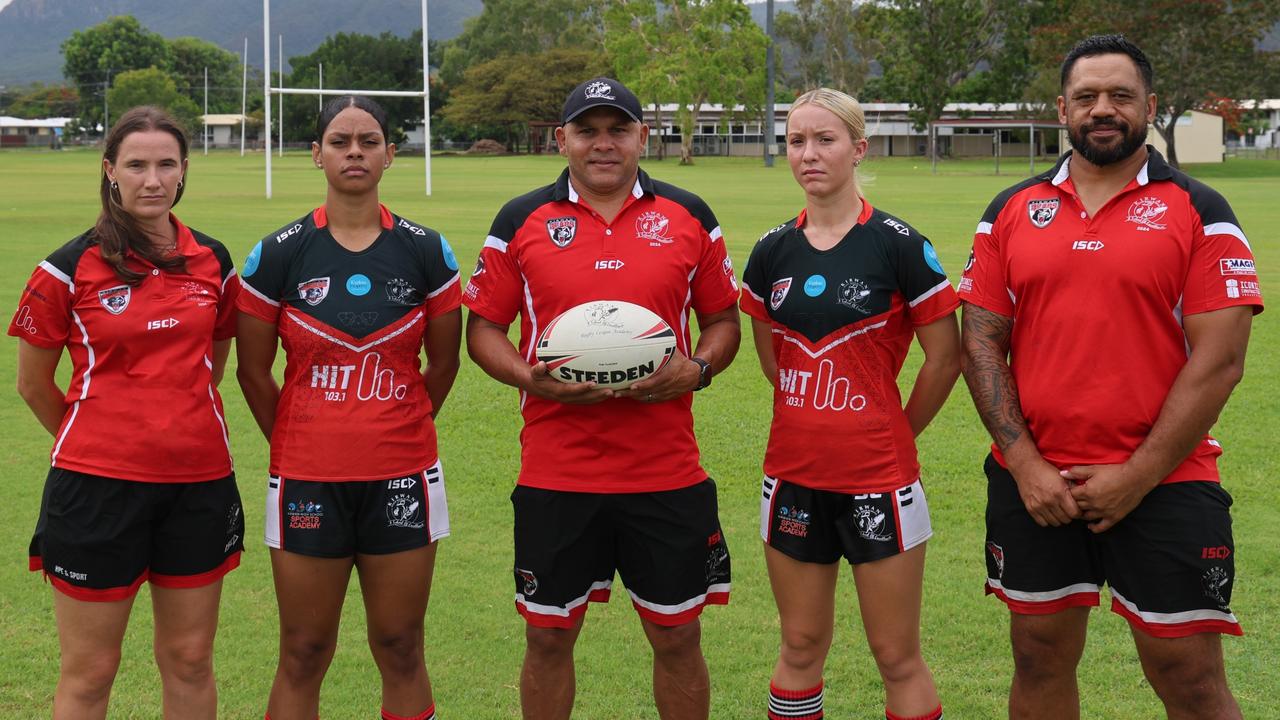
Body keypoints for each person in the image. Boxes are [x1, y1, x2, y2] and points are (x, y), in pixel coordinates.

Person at [958, 35, 1262, 720]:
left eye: (1120, 96)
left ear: (1149, 107)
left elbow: (1221, 360)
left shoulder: (1201, 209)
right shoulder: (1010, 209)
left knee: (1188, 675)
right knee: (1037, 655)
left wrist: (1138, 475)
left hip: (1168, 483)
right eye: (1087, 96)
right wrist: (1026, 463)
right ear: (1061, 108)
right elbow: (980, 340)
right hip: (1035, 486)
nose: (1103, 109)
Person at [463, 77, 741, 720]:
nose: (603, 144)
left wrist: (696, 370)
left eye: (619, 129)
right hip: (558, 472)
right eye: (587, 130)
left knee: (677, 636)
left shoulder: (689, 214)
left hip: (666, 471)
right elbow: (483, 328)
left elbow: (724, 321)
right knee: (547, 636)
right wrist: (527, 377)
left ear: (643, 137)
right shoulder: (521, 219)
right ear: (562, 139)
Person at [8, 106, 244, 720]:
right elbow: (33, 385)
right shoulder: (67, 267)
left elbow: (211, 365)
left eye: (166, 164)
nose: (152, 179)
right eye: (136, 165)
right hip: (96, 492)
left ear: (184, 171)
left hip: (198, 486)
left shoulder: (214, 261)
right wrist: (102, 443)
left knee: (190, 659)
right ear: (110, 170)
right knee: (91, 674)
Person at [236, 95, 462, 720]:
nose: (355, 151)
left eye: (369, 141)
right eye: (340, 141)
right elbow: (252, 373)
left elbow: (443, 367)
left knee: (400, 645)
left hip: (403, 475)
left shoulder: (426, 251)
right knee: (304, 650)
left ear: (391, 154)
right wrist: (296, 436)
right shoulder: (278, 253)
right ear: (317, 155)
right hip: (307, 476)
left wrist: (398, 425)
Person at [740, 88, 959, 720]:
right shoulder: (770, 251)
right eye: (796, 141)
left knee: (896, 656)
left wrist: (897, 428)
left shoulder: (899, 245)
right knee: (800, 645)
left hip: (879, 481)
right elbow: (772, 361)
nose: (808, 154)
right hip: (793, 479)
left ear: (858, 149)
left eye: (825, 140)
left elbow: (945, 358)